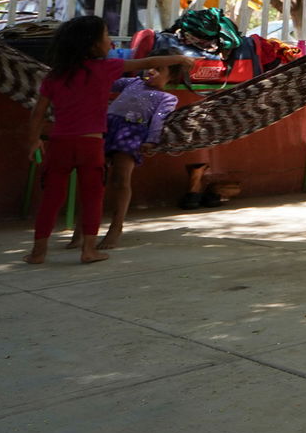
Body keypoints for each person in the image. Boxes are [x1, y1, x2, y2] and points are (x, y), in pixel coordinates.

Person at [23, 16, 190, 265]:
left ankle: (38, 252)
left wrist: (33, 140)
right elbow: (149, 61)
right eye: (106, 36)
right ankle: (89, 250)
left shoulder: (55, 76)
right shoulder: (106, 68)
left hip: (59, 145)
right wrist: (181, 59)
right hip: (91, 146)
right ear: (92, 45)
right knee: (93, 196)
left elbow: (38, 112)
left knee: (51, 198)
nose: (110, 41)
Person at [96, 65, 182, 249]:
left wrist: (151, 140)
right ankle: (83, 230)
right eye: (150, 67)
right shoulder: (132, 82)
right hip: (104, 128)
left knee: (120, 179)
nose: (151, 71)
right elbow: (104, 83)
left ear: (172, 77)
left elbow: (159, 119)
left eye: (159, 69)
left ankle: (115, 228)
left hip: (131, 132)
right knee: (94, 179)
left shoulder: (167, 98)